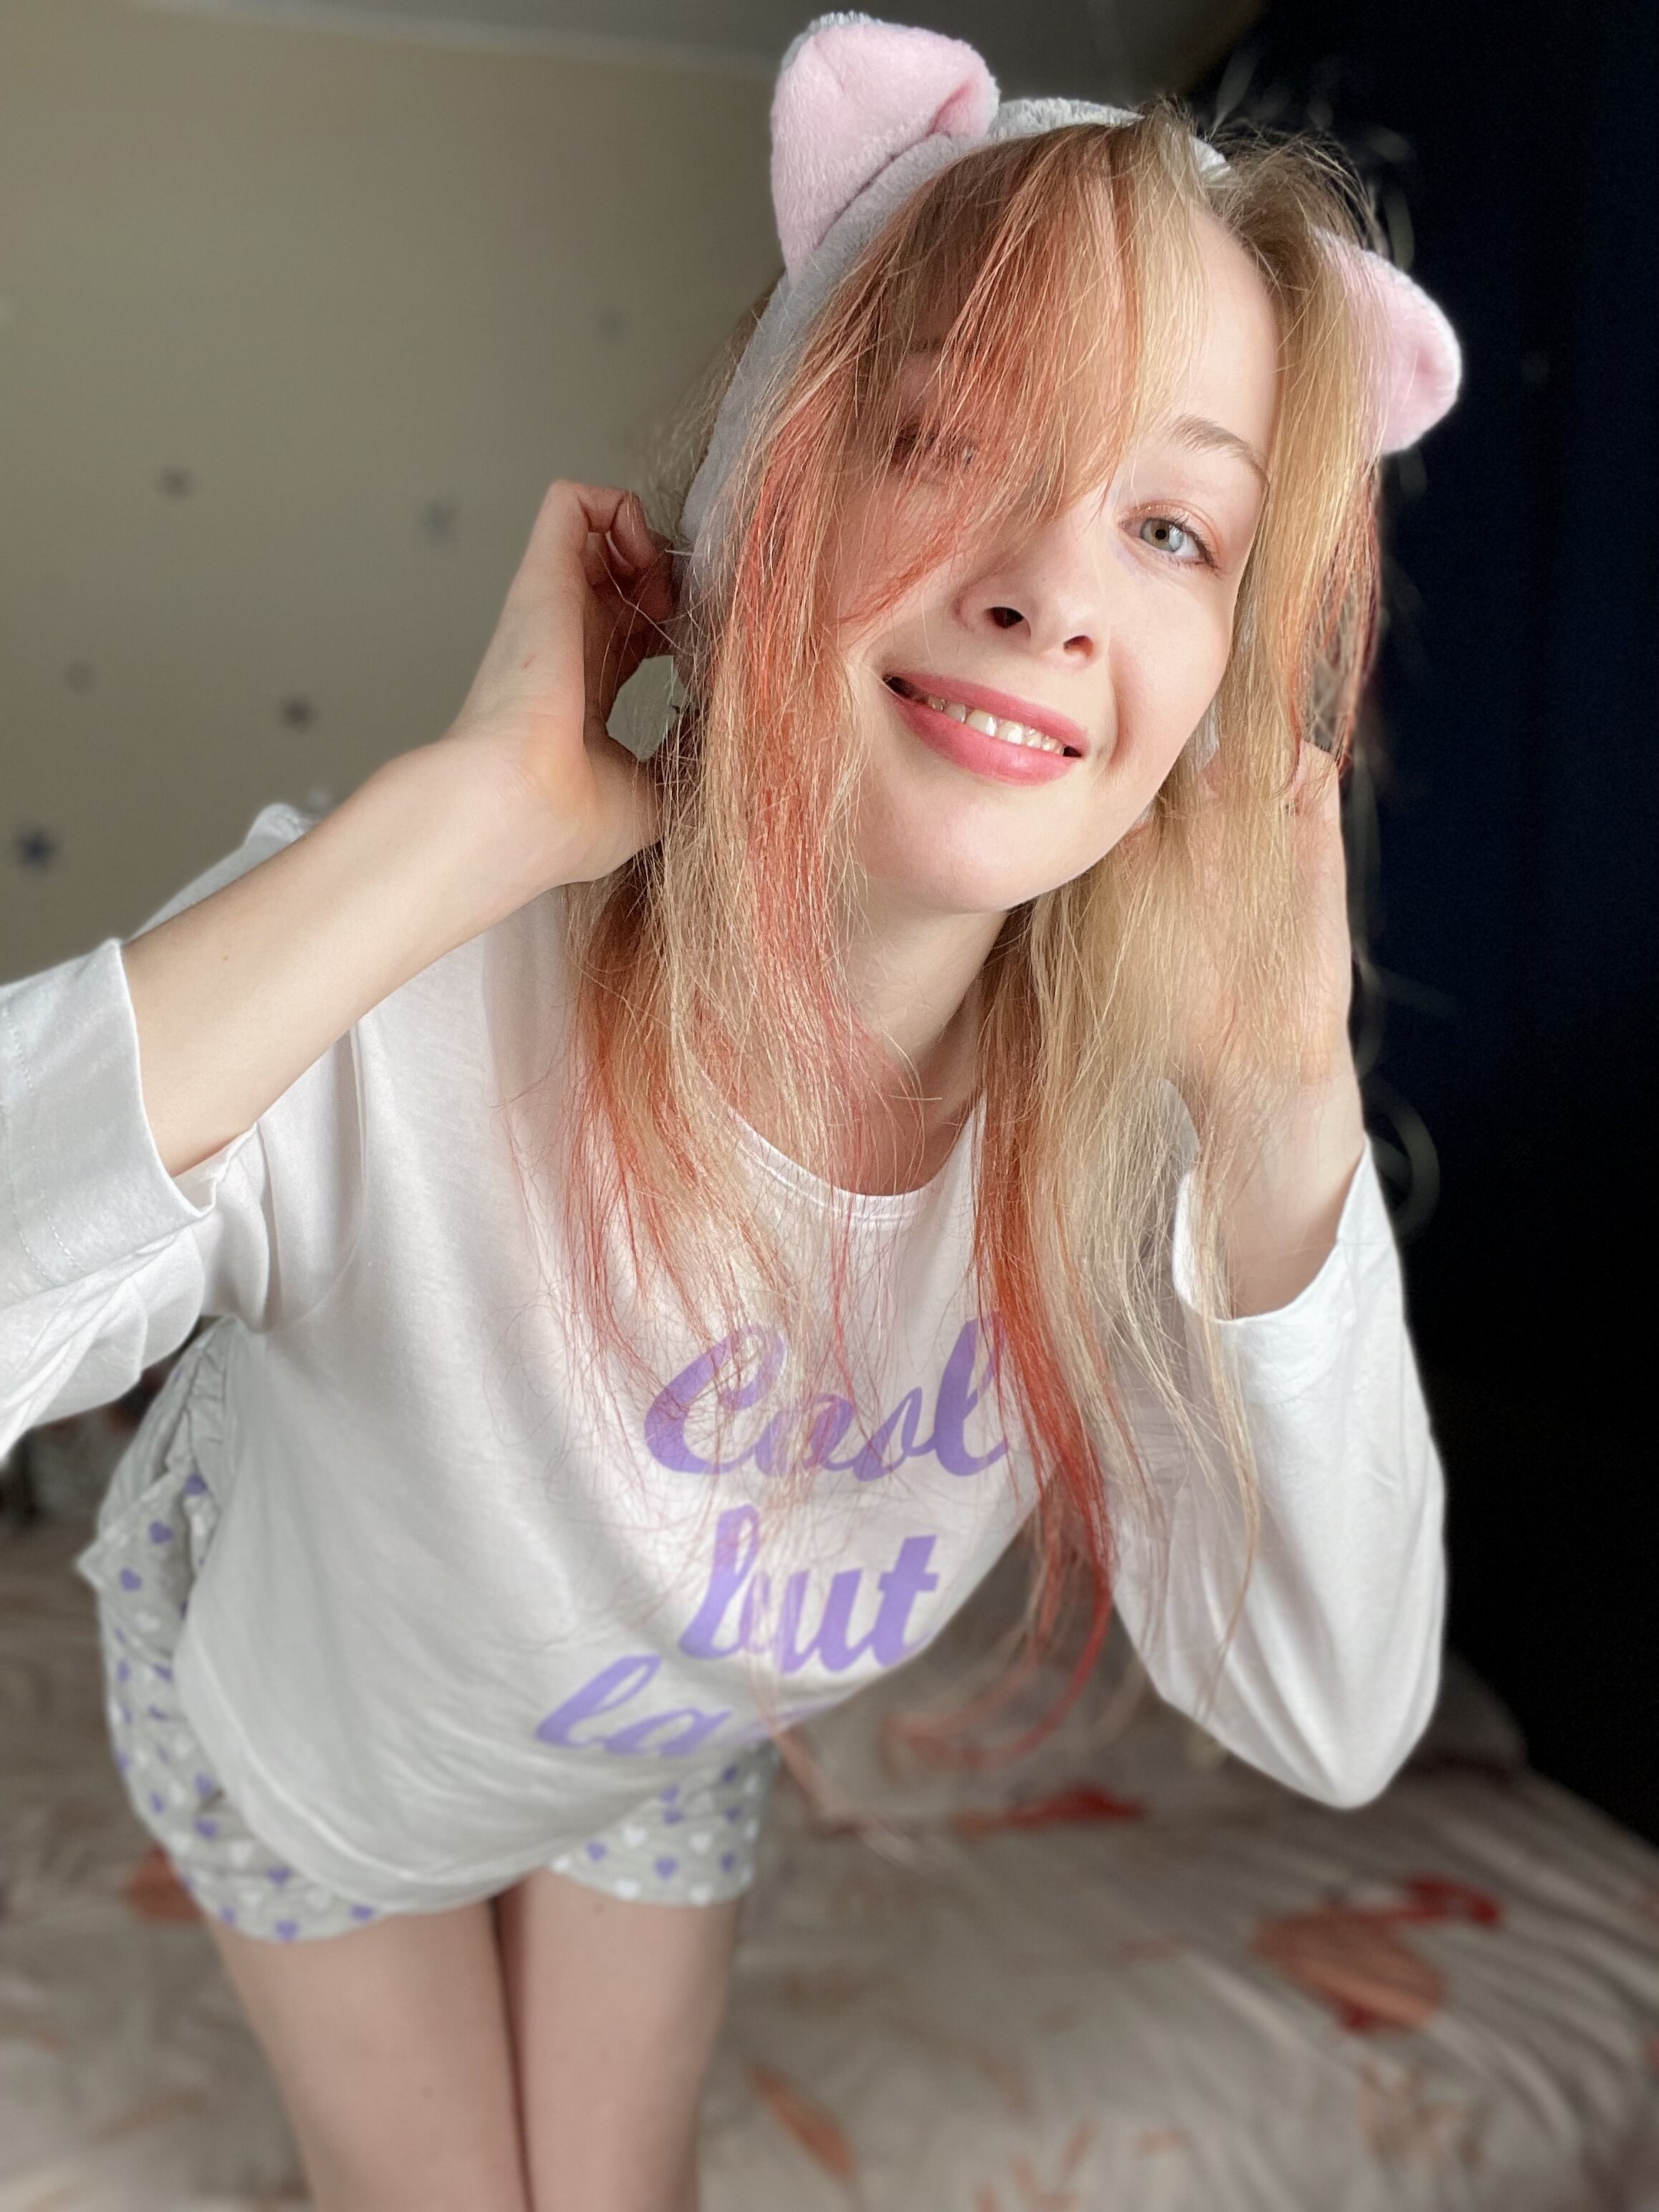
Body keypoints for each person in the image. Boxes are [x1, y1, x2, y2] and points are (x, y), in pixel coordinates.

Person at [0, 15, 1460, 2210]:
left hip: (651, 1744)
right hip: (304, 1739)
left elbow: (1333, 1719)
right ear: (759, 489)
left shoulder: (1124, 1141)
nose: (1052, 586)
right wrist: (457, 828)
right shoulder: (411, 998)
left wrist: (1277, 1105)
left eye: (1171, 525)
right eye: (949, 437)